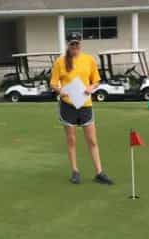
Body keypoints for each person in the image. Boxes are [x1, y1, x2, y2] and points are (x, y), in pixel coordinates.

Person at [50, 32, 114, 185]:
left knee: (92, 140)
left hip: (85, 105)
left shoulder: (89, 60)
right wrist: (61, 91)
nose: (75, 46)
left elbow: (96, 81)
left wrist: (91, 88)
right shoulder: (60, 62)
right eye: (72, 44)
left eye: (77, 43)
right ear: (68, 45)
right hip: (68, 105)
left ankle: (99, 172)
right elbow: (53, 83)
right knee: (71, 140)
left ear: (81, 44)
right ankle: (75, 171)